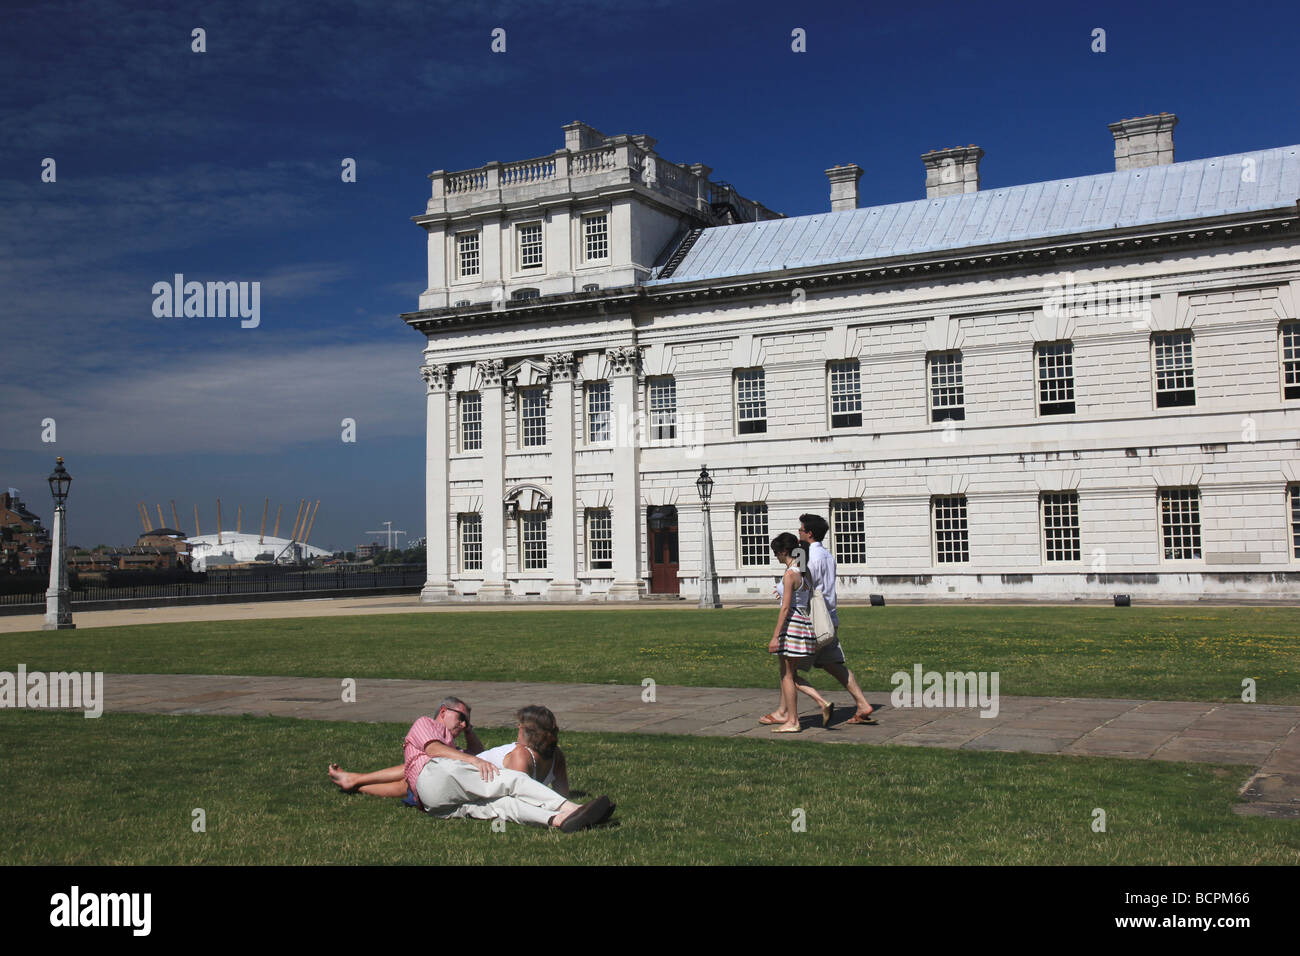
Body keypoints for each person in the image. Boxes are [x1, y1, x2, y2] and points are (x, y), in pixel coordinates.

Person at [330, 698, 611, 831]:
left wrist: (468, 734)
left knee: (502, 807)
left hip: (439, 806)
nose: (463, 723)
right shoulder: (425, 724)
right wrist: (471, 759)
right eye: (460, 717)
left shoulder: (457, 748)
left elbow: (477, 752)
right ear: (443, 712)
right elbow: (435, 750)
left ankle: (558, 820)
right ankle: (574, 809)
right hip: (433, 776)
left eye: (467, 720)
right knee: (510, 781)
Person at [795, 513, 877, 724]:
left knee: (788, 671)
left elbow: (803, 585)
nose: (798, 533)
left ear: (809, 533)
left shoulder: (809, 557)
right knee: (835, 666)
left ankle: (792, 713)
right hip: (830, 619)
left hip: (814, 622)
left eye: (801, 530)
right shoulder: (828, 555)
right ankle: (862, 703)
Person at [762, 532, 816, 733]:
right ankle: (792, 717)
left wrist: (775, 636)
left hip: (792, 626)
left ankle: (792, 720)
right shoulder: (804, 573)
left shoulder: (789, 574)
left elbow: (785, 608)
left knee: (787, 675)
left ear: (784, 551)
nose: (776, 556)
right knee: (791, 674)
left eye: (776, 553)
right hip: (803, 623)